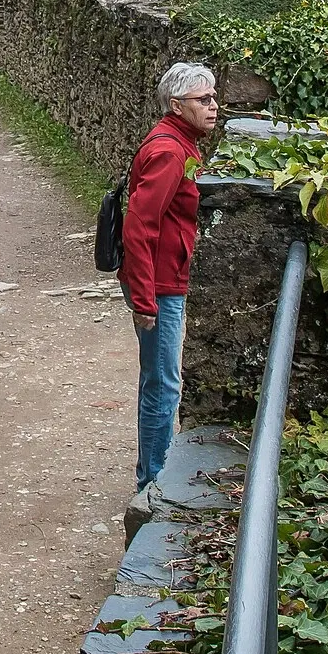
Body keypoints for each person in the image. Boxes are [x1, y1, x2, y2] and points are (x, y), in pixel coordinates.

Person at [121, 62, 219, 521]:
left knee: (159, 381)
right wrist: (145, 300)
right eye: (203, 99)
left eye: (214, 96)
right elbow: (139, 226)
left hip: (163, 281)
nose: (214, 105)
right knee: (163, 384)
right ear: (177, 105)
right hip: (160, 286)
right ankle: (153, 486)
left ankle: (151, 475)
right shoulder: (169, 152)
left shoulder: (182, 144)